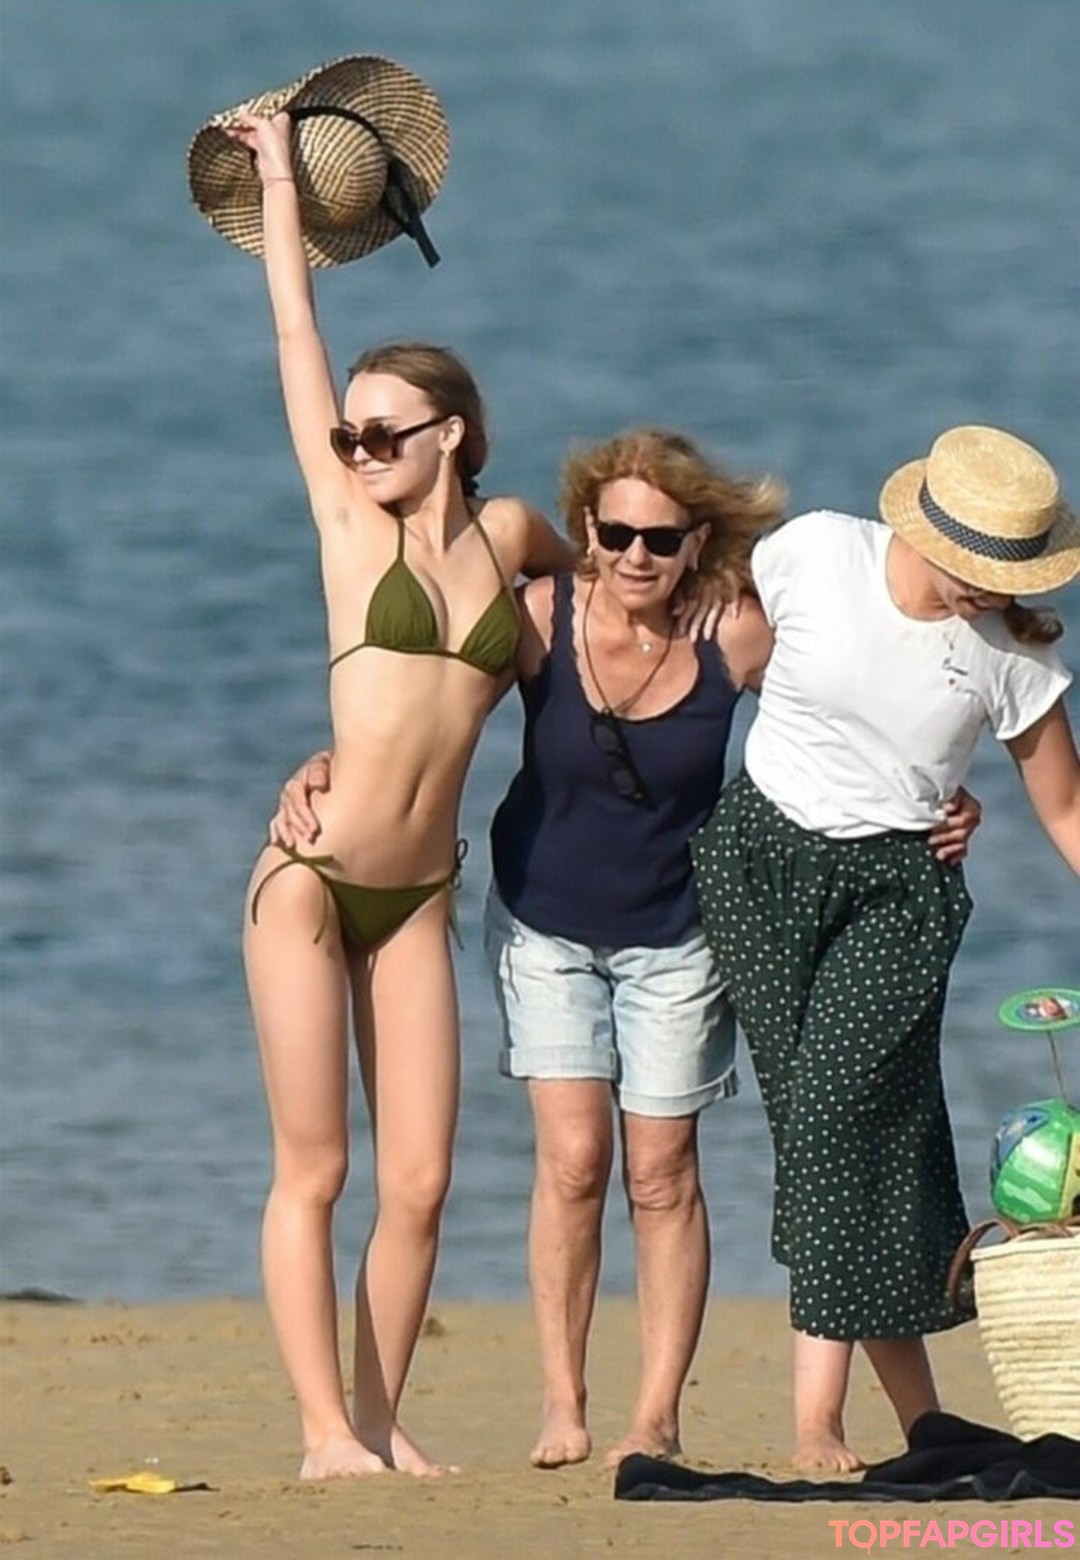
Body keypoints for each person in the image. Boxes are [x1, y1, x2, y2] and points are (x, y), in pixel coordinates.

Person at [274, 429, 982, 1471]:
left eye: (661, 538)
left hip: (679, 932)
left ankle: (655, 1418)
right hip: (543, 922)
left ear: (696, 542)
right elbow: (418, 710)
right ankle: (564, 1403)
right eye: (615, 535)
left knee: (661, 1171)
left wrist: (942, 797)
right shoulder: (536, 619)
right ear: (587, 533)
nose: (636, 556)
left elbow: (856, 704)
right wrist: (326, 761)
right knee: (572, 1161)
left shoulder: (737, 633)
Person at [213, 79, 573, 1480]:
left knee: (420, 1181)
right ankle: (323, 1433)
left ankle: (379, 1418)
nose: (358, 452)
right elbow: (295, 336)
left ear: (453, 436)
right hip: (310, 883)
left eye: (384, 434)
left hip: (419, 895)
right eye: (349, 436)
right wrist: (281, 181)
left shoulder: (513, 535)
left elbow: (603, 610)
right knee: (317, 1170)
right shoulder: (345, 531)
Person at [690, 423, 1080, 1473]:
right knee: (834, 1147)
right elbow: (723, 657)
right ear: (928, 526)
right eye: (975, 564)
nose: (987, 588)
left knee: (830, 1127)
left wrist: (951, 804)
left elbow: (1068, 810)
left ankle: (816, 1420)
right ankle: (923, 1418)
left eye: (1009, 571)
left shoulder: (1013, 654)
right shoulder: (816, 552)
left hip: (898, 898)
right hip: (759, 865)